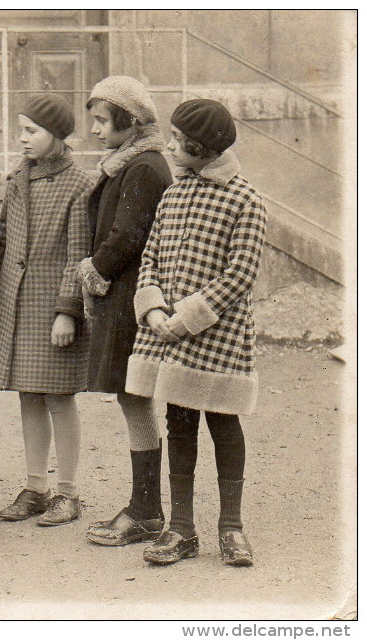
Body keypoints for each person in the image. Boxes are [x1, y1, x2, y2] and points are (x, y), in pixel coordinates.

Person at [127, 99, 266, 566]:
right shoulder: (174, 193)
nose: (168, 144)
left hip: (216, 337)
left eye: (176, 138)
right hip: (164, 332)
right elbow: (150, 258)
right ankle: (181, 529)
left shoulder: (245, 199)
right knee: (179, 425)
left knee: (224, 425)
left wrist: (184, 319)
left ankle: (232, 528)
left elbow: (240, 275)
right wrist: (153, 310)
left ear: (200, 146)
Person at [0, 94, 96, 527]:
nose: (23, 139)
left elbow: (77, 253)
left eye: (32, 131)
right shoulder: (17, 180)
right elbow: (2, 239)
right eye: (22, 130)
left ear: (58, 136)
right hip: (17, 304)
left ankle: (68, 493)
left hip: (52, 307)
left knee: (59, 397)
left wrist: (68, 310)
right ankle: (35, 487)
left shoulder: (79, 185)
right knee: (28, 393)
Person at [77, 76, 175, 547]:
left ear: (129, 122)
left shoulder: (144, 167)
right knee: (132, 396)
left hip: (133, 298)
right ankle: (146, 507)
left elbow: (127, 236)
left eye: (101, 119)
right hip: (125, 296)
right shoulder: (133, 163)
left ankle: (146, 510)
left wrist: (92, 270)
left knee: (135, 395)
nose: (94, 129)